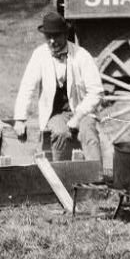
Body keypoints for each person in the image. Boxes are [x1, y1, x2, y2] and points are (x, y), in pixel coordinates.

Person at [13, 11, 103, 161]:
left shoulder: (81, 55)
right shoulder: (39, 55)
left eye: (56, 36)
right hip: (56, 113)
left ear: (65, 34)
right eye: (49, 37)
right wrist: (20, 119)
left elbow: (96, 92)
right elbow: (27, 87)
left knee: (89, 133)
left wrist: (78, 116)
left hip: (82, 110)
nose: (52, 41)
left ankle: (96, 179)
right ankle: (61, 177)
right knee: (60, 133)